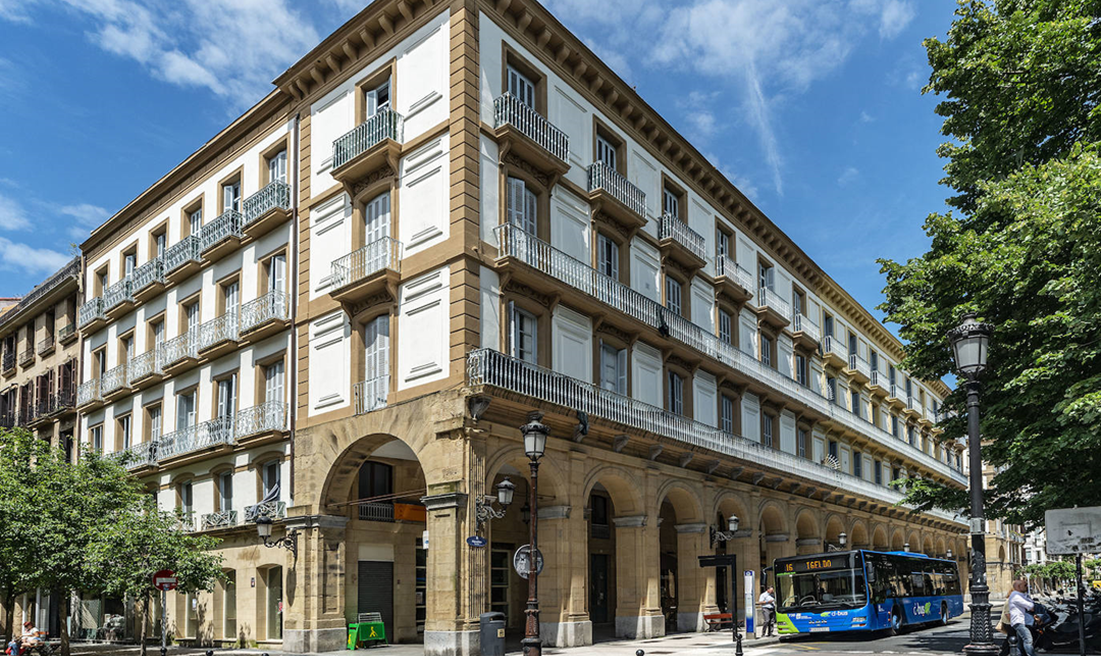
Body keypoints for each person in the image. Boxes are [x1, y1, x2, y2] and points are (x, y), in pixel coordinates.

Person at [1007, 579, 1037, 656]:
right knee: (1028, 639)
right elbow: (1030, 606)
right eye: (1025, 585)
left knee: (1020, 643)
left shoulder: (1021, 595)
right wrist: (1031, 604)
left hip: (1022, 621)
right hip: (1018, 621)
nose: (1027, 587)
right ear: (1018, 586)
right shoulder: (1016, 596)